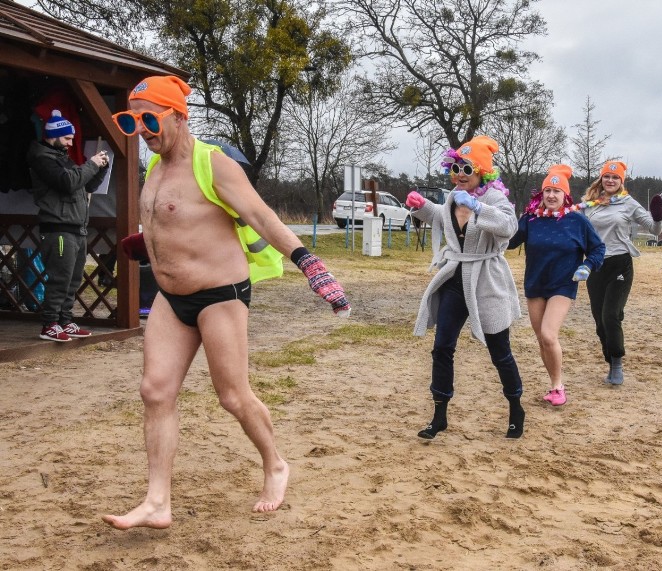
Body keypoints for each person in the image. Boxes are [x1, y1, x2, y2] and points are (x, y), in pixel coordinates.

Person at [101, 75, 351, 530]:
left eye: (150, 118)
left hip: (220, 296)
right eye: (132, 121)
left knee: (233, 396)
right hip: (171, 300)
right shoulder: (153, 168)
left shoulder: (212, 163)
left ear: (179, 115)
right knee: (154, 391)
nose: (143, 130)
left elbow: (260, 215)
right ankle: (158, 501)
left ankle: (275, 465)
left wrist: (308, 263)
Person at [406, 135, 525, 439]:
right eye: (455, 166)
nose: (460, 173)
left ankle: (515, 407)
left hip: (486, 278)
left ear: (482, 172)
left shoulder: (495, 198)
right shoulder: (451, 196)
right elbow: (441, 217)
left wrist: (477, 208)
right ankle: (439, 414)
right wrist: (422, 207)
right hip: (454, 277)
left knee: (500, 352)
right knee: (442, 347)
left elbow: (509, 228)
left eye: (467, 168)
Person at [506, 164, 605, 405]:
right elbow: (508, 243)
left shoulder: (577, 221)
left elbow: (598, 248)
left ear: (565, 196)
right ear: (541, 194)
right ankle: (553, 385)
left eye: (556, 191)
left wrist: (588, 266)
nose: (551, 195)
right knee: (542, 339)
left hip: (563, 284)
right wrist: (501, 219)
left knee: (549, 335)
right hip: (535, 284)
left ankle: (558, 386)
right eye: (547, 191)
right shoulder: (530, 219)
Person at [27, 109, 110, 342]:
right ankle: (50, 324)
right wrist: (91, 165)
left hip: (76, 228)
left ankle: (65, 320)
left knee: (73, 280)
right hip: (58, 228)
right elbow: (67, 182)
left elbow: (85, 187)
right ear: (53, 136)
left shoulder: (64, 158)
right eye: (67, 138)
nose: (71, 142)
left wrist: (100, 169)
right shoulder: (43, 158)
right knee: (60, 279)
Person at [579, 161, 662, 385]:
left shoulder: (628, 203)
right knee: (599, 319)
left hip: (620, 263)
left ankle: (617, 362)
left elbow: (655, 230)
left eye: (615, 178)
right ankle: (610, 356)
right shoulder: (589, 204)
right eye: (607, 176)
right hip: (596, 264)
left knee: (610, 315)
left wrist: (658, 215)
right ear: (601, 179)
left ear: (621, 182)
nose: (610, 181)